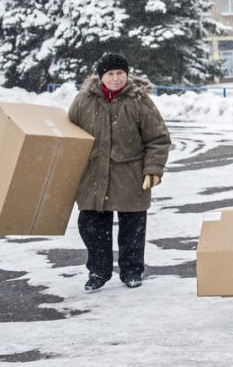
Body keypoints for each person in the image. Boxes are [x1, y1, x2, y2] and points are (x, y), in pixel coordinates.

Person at [69, 53, 171, 292]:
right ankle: (98, 271)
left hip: (130, 174)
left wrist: (153, 168)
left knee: (132, 227)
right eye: (110, 74)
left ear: (127, 75)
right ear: (101, 77)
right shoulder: (84, 100)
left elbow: (158, 138)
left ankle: (132, 270)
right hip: (93, 175)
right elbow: (69, 134)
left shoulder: (139, 100)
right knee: (91, 225)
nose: (116, 78)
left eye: (120, 73)